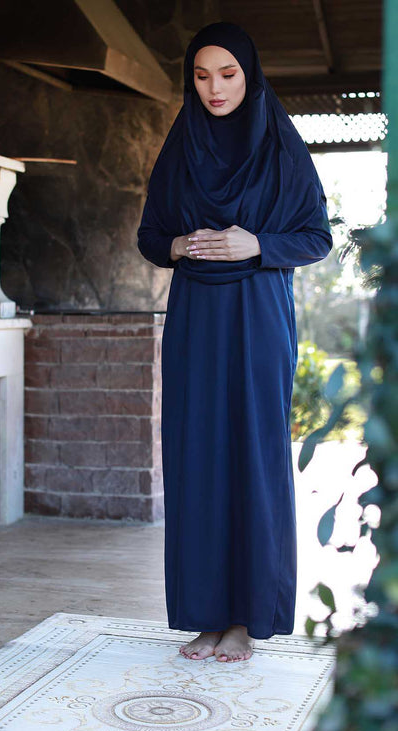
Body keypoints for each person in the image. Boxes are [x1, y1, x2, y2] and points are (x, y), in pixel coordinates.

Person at [137, 22, 332, 663]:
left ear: (248, 76)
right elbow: (150, 234)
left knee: (252, 451)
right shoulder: (182, 145)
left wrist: (258, 244)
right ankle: (205, 614)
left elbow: (316, 236)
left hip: (257, 314)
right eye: (201, 75)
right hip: (195, 315)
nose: (214, 88)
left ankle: (248, 620)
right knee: (197, 457)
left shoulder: (280, 148)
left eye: (227, 74)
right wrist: (175, 245)